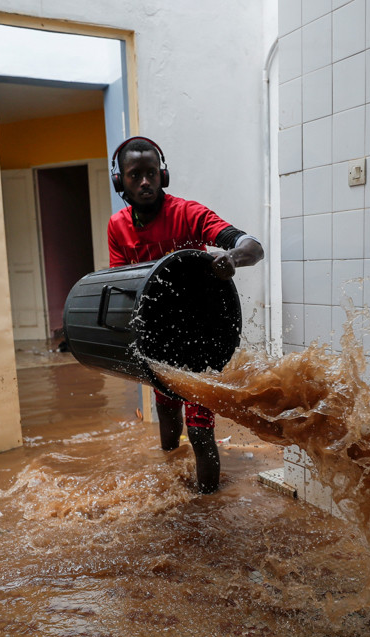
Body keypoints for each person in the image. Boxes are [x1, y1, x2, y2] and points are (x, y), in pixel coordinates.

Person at [106, 136, 264, 493]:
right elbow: (121, 285)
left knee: (199, 427)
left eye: (151, 173)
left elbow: (253, 247)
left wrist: (231, 258)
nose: (144, 182)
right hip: (158, 336)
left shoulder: (188, 213)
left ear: (163, 176)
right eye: (135, 175)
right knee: (165, 409)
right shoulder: (117, 227)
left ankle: (208, 503)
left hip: (201, 333)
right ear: (121, 182)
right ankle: (171, 481)